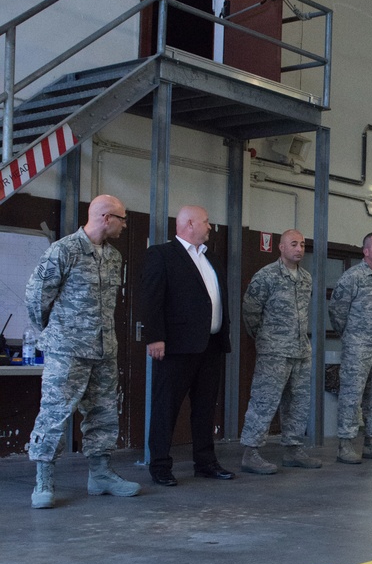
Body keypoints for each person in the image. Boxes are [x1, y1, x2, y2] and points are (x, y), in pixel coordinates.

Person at [25, 194, 141, 509]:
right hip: (68, 351)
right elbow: (37, 299)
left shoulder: (115, 257)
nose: (125, 224)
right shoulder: (63, 251)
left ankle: (100, 475)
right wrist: (56, 334)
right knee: (54, 413)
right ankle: (44, 480)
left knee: (103, 413)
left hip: (104, 350)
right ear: (106, 217)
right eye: (122, 218)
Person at [140, 205, 232, 485]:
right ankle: (160, 466)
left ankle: (205, 462)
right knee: (166, 408)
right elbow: (151, 297)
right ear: (189, 224)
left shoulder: (211, 258)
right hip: (176, 348)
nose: (211, 227)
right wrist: (154, 336)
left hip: (211, 346)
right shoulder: (162, 254)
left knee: (205, 408)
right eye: (206, 222)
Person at [240, 228, 322, 475]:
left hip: (300, 351)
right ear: (282, 247)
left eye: (303, 244)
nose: (299, 249)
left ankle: (293, 449)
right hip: (274, 352)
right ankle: (250, 453)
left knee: (298, 403)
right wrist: (266, 338)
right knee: (264, 401)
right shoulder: (266, 276)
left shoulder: (306, 278)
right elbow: (250, 312)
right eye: (294, 244)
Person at [329, 231, 372, 463]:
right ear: (366, 251)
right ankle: (345, 445)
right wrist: (351, 335)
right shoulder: (352, 277)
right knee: (351, 395)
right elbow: (337, 311)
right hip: (357, 347)